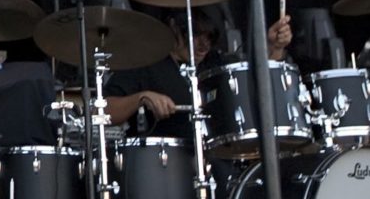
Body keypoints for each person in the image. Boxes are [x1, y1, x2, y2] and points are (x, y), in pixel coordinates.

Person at [105, 10, 293, 132]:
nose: (204, 45)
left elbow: (257, 76)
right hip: (166, 165)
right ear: (173, 29)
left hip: (218, 158)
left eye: (209, 38)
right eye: (195, 35)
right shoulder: (147, 63)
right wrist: (142, 97)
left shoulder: (214, 62)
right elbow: (105, 110)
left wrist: (274, 47)